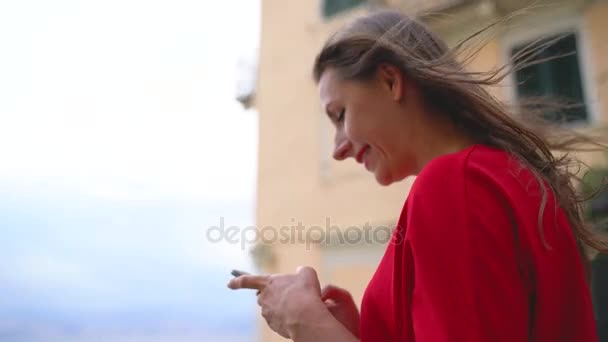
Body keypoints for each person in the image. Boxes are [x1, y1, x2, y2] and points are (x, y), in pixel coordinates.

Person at [227, 9, 606, 341]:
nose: (338, 148)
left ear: (391, 81)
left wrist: (306, 323)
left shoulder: (455, 185)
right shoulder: (511, 180)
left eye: (340, 115)